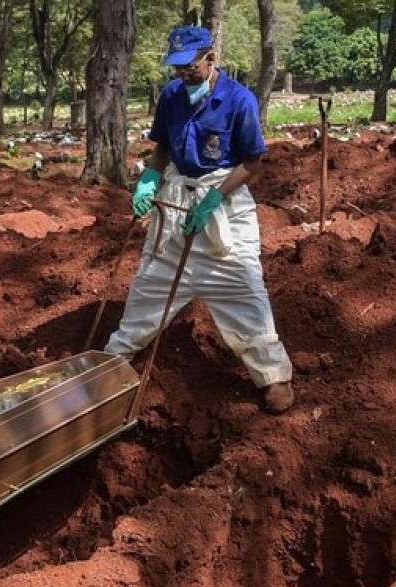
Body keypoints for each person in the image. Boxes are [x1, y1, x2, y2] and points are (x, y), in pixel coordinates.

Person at [105, 26, 295, 415]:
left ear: (211, 59)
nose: (182, 75)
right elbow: (161, 150)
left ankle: (272, 372)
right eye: (176, 68)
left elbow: (252, 162)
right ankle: (114, 357)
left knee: (245, 288)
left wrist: (213, 199)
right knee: (149, 284)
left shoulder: (239, 100)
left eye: (190, 67)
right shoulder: (172, 96)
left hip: (222, 204)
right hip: (176, 201)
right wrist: (148, 182)